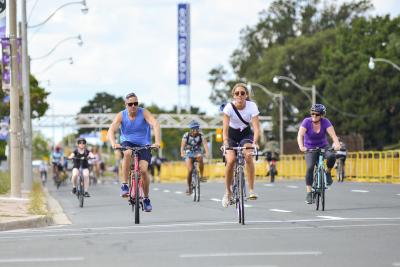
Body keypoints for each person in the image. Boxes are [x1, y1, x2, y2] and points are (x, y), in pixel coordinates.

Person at [107, 92, 161, 212]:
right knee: (127, 153)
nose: (133, 106)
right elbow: (111, 129)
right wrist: (113, 143)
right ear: (126, 105)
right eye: (130, 104)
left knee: (144, 170)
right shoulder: (121, 115)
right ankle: (125, 184)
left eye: (135, 103)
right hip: (128, 143)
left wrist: (157, 142)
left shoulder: (143, 112)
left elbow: (155, 124)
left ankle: (146, 199)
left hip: (144, 144)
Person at [221, 83, 261, 208]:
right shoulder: (228, 107)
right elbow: (225, 129)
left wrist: (255, 142)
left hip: (245, 134)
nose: (240, 95)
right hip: (231, 136)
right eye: (237, 93)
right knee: (231, 160)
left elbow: (256, 128)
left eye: (242, 93)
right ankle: (228, 192)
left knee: (248, 155)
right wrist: (225, 142)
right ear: (233, 95)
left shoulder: (252, 106)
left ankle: (251, 190)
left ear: (246, 95)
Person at [297, 104, 340, 204]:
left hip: (323, 146)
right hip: (309, 148)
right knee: (310, 167)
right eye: (312, 114)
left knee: (332, 156)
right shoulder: (306, 122)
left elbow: (333, 135)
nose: (314, 116)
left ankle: (328, 172)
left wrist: (337, 144)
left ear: (322, 115)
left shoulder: (325, 122)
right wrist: (301, 146)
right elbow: (300, 135)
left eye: (317, 114)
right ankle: (308, 193)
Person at [180, 120, 210, 195]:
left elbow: (205, 145)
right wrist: (182, 153)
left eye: (197, 129)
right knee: (190, 170)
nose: (195, 131)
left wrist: (207, 152)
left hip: (197, 152)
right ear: (191, 129)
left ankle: (202, 176)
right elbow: (182, 146)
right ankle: (189, 187)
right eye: (194, 129)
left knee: (200, 158)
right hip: (188, 152)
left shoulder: (201, 135)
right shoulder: (186, 135)